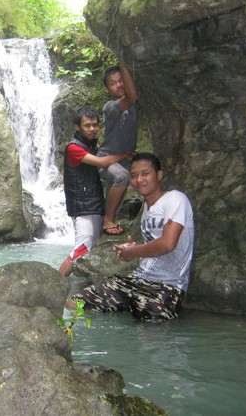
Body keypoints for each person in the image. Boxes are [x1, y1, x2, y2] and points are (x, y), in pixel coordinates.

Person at [66, 152, 195, 322]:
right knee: (75, 303)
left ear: (159, 175)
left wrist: (135, 251)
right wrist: (132, 249)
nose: (139, 180)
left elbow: (168, 244)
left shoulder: (176, 199)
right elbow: (152, 246)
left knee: (149, 336)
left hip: (167, 288)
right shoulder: (147, 211)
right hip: (135, 280)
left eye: (145, 174)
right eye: (134, 176)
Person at [59, 106, 133, 277]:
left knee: (87, 249)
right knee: (81, 249)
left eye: (95, 125)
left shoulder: (91, 145)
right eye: (87, 125)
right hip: (83, 207)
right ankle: (55, 286)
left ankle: (70, 288)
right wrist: (124, 155)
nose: (92, 129)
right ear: (77, 127)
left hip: (94, 203)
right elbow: (102, 163)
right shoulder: (74, 148)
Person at [98, 65, 138, 236]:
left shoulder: (135, 105)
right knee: (122, 176)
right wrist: (124, 64)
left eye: (121, 80)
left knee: (118, 191)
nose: (119, 85)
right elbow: (132, 96)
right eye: (113, 83)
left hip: (124, 160)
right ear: (107, 89)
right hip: (106, 159)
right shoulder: (110, 107)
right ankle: (108, 220)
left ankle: (105, 224)